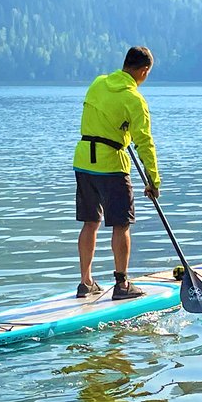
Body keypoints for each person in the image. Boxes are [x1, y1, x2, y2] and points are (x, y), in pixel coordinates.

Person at [73, 46, 161, 300]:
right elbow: (144, 142)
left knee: (90, 222)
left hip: (83, 161)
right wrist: (153, 180)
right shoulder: (134, 99)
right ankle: (122, 285)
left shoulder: (98, 83)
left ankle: (85, 282)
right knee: (121, 224)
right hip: (112, 164)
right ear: (143, 71)